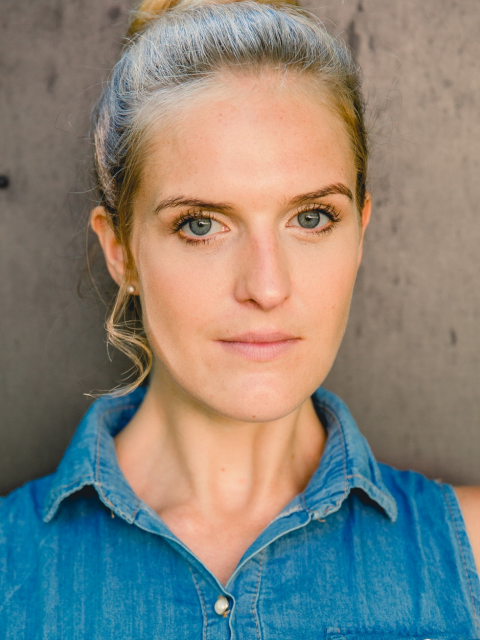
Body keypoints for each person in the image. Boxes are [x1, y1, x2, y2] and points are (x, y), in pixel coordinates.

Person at [1, 0, 480, 637]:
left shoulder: (468, 553)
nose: (267, 286)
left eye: (311, 218)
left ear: (360, 232)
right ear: (120, 251)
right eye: (201, 225)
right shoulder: (10, 570)